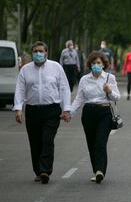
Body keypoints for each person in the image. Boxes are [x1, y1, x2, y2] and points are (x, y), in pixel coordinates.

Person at [14, 41, 71, 184]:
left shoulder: (56, 67)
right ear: (32, 53)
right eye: (35, 51)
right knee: (35, 142)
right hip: (33, 110)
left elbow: (64, 88)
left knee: (47, 139)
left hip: (51, 110)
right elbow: (20, 90)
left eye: (41, 51)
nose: (38, 54)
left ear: (46, 52)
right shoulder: (25, 70)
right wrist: (18, 108)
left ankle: (45, 170)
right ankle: (38, 172)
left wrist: (66, 109)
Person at [70, 51, 120, 183]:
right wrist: (69, 112)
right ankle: (96, 170)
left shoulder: (110, 78)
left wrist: (110, 91)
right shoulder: (84, 79)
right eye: (93, 63)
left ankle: (100, 171)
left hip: (104, 112)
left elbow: (117, 97)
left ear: (104, 64)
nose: (96, 65)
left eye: (99, 63)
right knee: (91, 143)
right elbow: (79, 99)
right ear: (90, 65)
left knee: (100, 142)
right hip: (88, 113)